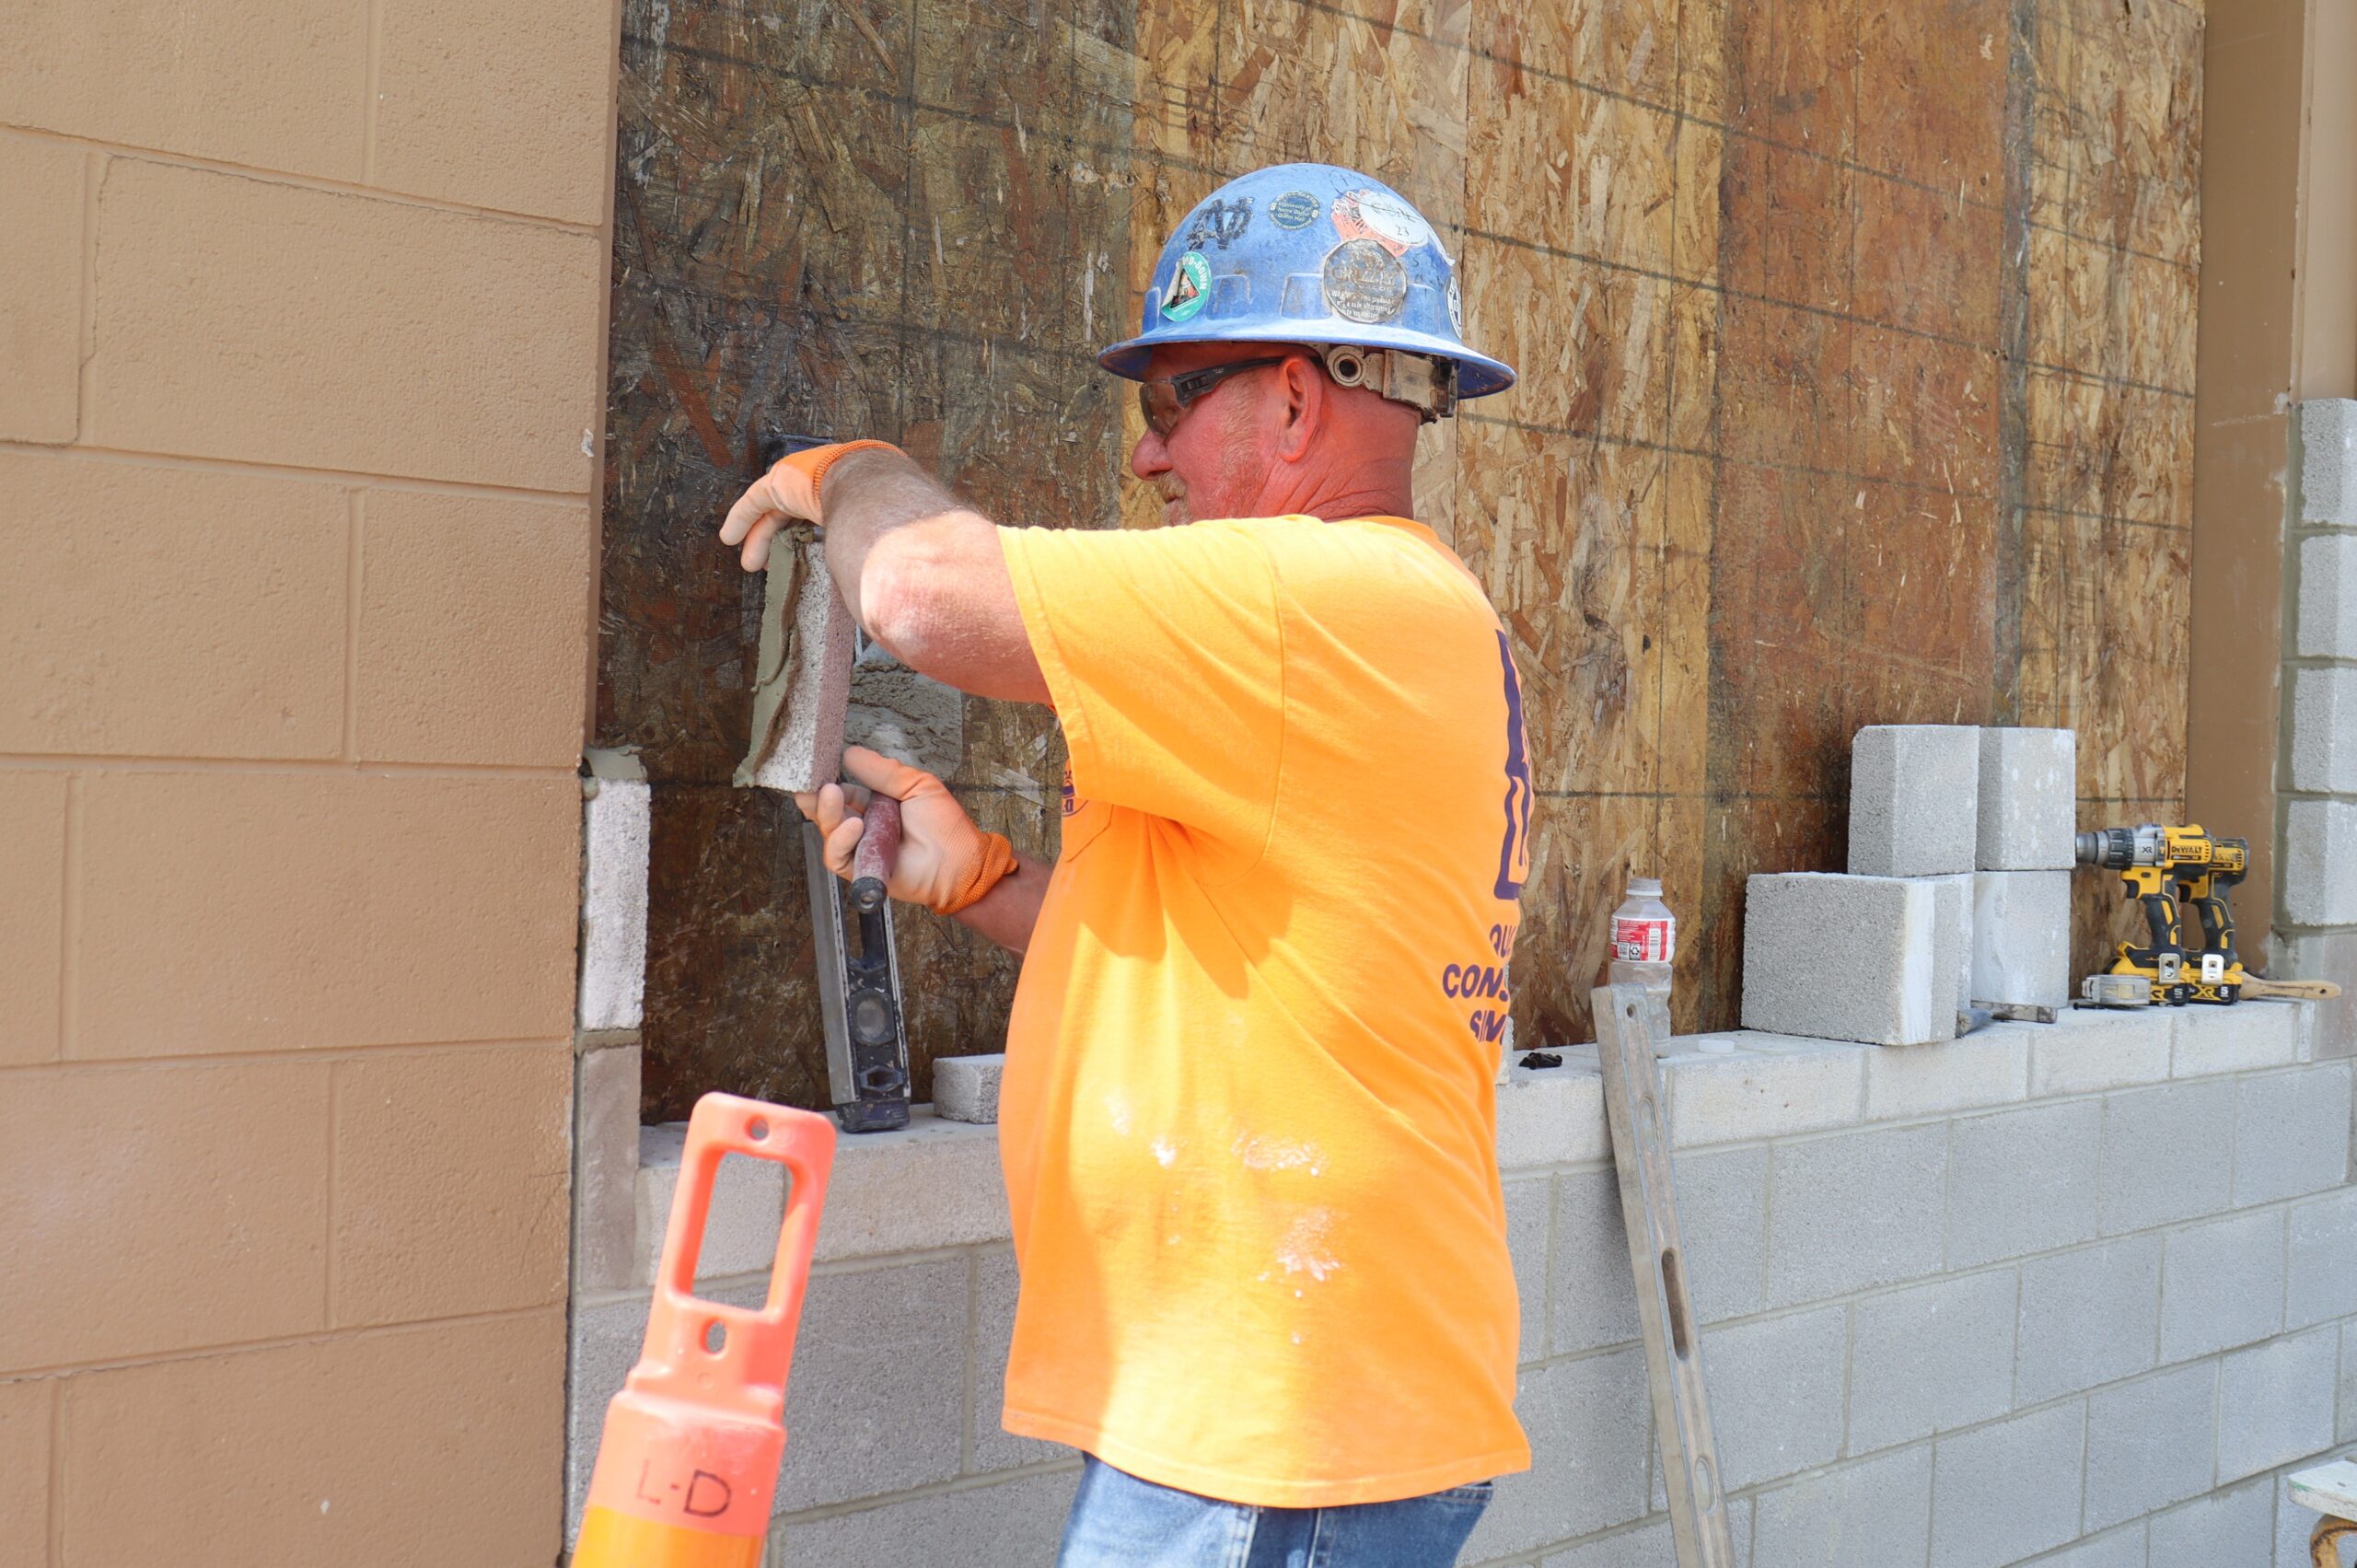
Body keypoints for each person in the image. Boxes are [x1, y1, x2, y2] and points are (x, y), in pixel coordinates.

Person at [719, 163, 1531, 1568]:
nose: (1147, 455)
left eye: (1171, 405)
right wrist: (981, 884)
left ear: (1293, 398)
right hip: (1284, 1410)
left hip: (1276, 1433)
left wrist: (848, 475)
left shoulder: (1323, 601)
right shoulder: (1385, 626)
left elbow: (918, 591)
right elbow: (1257, 964)